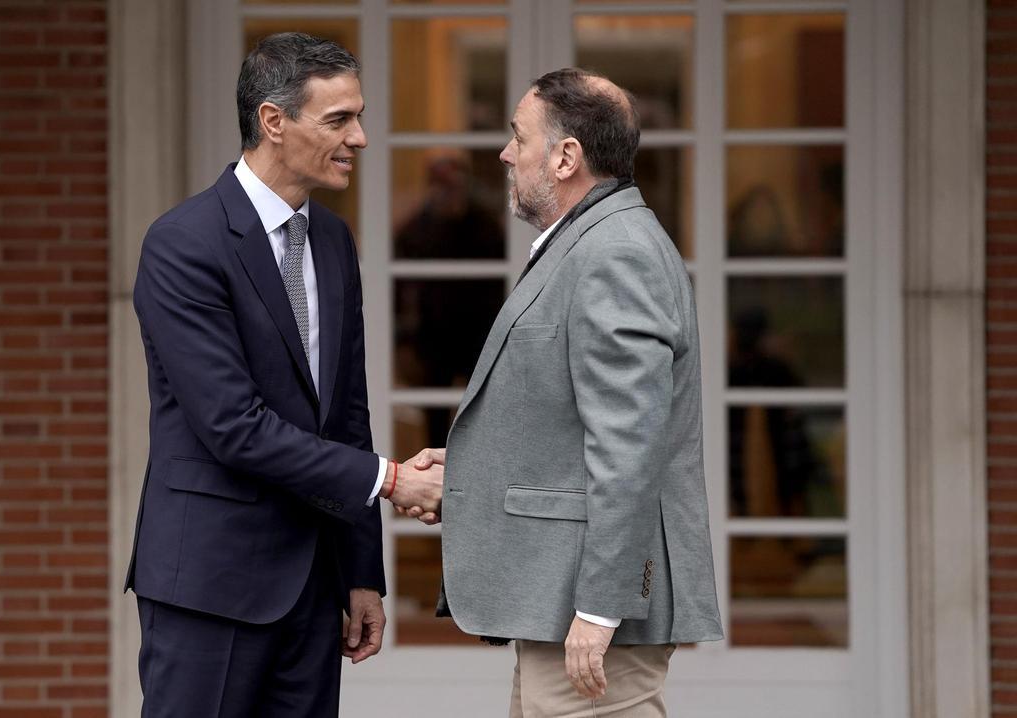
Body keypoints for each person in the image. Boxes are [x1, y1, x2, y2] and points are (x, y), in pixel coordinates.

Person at [124, 32, 442, 717]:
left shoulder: (332, 239)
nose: (359, 137)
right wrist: (391, 481)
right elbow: (231, 427)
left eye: (358, 117)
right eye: (338, 120)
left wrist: (362, 575)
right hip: (208, 586)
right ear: (273, 121)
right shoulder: (183, 244)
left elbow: (346, 415)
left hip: (313, 590)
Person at [408, 68, 723, 716]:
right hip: (559, 610)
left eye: (517, 137)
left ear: (565, 157)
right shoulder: (590, 241)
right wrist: (471, 471)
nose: (503, 153)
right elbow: (564, 422)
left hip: (591, 621)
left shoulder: (614, 253)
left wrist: (600, 607)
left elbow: (629, 449)